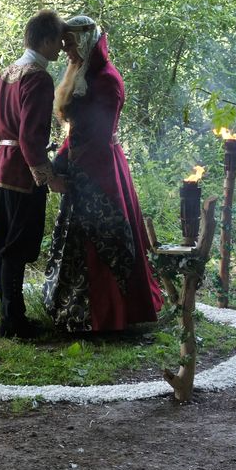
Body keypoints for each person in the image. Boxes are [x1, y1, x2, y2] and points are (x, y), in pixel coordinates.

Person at [43, 16, 163, 332]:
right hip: (84, 164)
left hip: (101, 171)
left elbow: (97, 134)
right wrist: (61, 162)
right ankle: (79, 312)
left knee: (106, 237)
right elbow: (77, 131)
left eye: (70, 43)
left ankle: (110, 317)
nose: (65, 50)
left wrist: (68, 165)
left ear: (85, 42)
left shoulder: (106, 79)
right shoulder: (84, 74)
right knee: (81, 240)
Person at [0, 10, 68, 339]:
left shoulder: (8, 72)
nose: (61, 48)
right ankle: (13, 321)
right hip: (20, 170)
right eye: (58, 41)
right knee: (16, 244)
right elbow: (31, 137)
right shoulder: (38, 77)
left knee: (3, 240)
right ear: (45, 41)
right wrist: (47, 177)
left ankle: (4, 308)